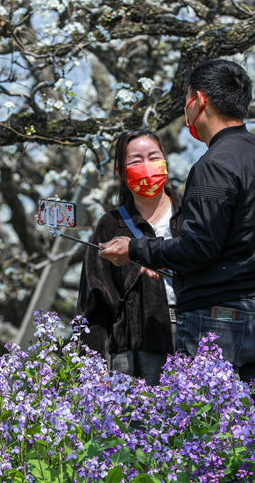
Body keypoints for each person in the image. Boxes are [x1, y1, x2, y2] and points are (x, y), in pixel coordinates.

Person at [99, 59, 255, 381]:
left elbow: (199, 248)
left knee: (204, 422)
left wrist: (136, 249)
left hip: (215, 317)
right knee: (250, 424)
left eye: (187, 100)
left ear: (199, 101)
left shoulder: (213, 165)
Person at [76, 128, 183, 386]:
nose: (147, 167)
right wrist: (92, 368)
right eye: (136, 161)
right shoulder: (110, 226)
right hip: (135, 353)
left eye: (154, 157)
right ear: (121, 174)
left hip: (197, 339)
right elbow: (95, 303)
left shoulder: (191, 214)